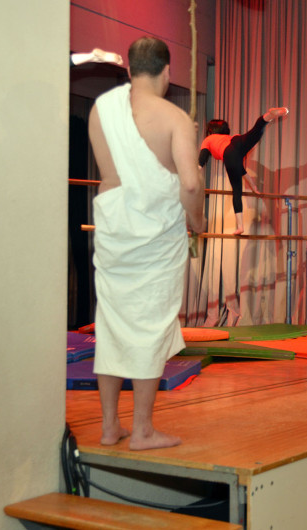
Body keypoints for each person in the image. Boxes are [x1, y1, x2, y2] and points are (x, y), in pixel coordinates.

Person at [88, 36, 206, 450]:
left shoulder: (101, 109)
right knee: (150, 326)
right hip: (154, 234)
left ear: (129, 68)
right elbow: (189, 184)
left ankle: (109, 427)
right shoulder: (175, 118)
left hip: (114, 234)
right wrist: (198, 222)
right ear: (167, 71)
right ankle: (142, 430)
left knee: (111, 324)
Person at [198, 108, 288, 235]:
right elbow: (242, 170)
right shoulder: (227, 137)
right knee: (255, 132)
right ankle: (268, 117)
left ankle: (240, 227)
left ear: (211, 130)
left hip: (228, 152)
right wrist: (254, 187)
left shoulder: (208, 139)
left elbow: (201, 161)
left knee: (237, 190)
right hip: (237, 141)